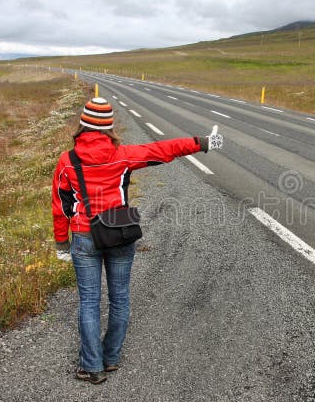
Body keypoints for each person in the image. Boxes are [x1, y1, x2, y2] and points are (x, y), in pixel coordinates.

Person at [51, 97, 223, 384]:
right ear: (109, 127)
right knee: (119, 298)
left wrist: (61, 244)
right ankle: (111, 358)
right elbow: (164, 149)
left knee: (89, 302)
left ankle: (91, 366)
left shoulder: (67, 161)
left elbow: (61, 205)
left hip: (84, 234)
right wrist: (203, 142)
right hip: (120, 233)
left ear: (82, 125)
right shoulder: (124, 155)